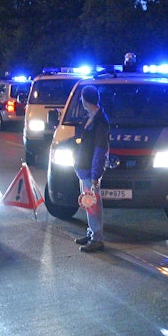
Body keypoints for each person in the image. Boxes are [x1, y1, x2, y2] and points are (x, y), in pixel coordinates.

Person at [74, 85, 110, 252]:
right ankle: (92, 232)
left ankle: (97, 238)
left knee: (92, 203)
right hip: (84, 168)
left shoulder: (100, 121)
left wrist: (96, 174)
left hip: (90, 170)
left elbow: (100, 149)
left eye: (82, 98)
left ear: (85, 100)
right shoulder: (90, 118)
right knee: (89, 203)